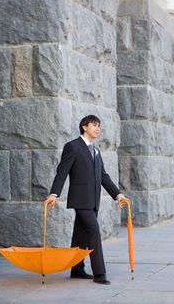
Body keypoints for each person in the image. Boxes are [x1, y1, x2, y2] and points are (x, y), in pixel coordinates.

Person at [45, 115, 125, 285]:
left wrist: (117, 194)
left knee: (80, 235)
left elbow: (103, 176)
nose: (98, 128)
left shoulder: (96, 151)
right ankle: (100, 273)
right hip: (80, 200)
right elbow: (62, 172)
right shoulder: (73, 147)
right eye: (94, 125)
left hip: (93, 201)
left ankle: (77, 269)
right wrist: (54, 194)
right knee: (94, 231)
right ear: (84, 127)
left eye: (99, 126)